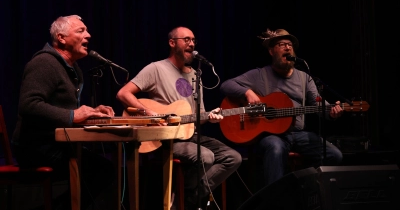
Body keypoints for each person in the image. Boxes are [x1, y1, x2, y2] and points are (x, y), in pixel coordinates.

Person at [116, 26, 242, 209]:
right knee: (205, 157)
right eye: (187, 40)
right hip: (164, 136)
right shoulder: (156, 69)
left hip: (189, 134)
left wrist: (211, 117)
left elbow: (200, 115)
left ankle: (187, 200)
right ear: (172, 43)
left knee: (233, 157)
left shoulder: (195, 75)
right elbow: (123, 94)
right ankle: (188, 201)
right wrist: (147, 112)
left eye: (193, 40)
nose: (191, 44)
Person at [12, 15, 115, 210]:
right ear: (61, 38)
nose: (88, 35)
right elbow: (28, 105)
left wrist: (90, 112)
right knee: (102, 170)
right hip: (35, 147)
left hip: (56, 144)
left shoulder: (72, 68)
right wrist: (73, 116)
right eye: (81, 31)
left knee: (103, 168)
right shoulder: (44, 63)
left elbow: (62, 108)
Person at [220, 28, 343, 187]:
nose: (287, 48)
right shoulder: (260, 75)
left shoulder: (304, 77)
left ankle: (307, 192)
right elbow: (226, 85)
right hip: (272, 136)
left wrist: (331, 111)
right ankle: (275, 200)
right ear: (271, 51)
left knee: (335, 155)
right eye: (282, 44)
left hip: (299, 134)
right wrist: (247, 92)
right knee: (275, 148)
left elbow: (318, 103)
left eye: (290, 45)